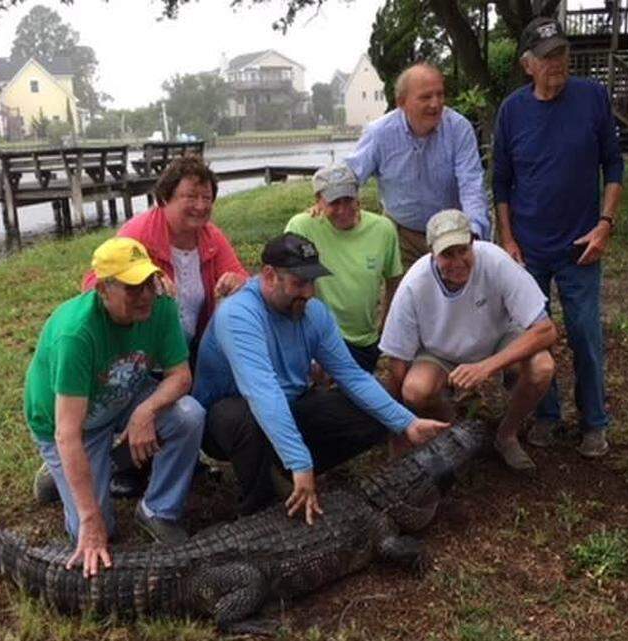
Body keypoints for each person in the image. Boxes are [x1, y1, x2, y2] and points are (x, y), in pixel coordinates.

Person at [192, 233, 450, 522]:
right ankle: (260, 507)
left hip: (289, 403)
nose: (309, 292)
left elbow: (352, 376)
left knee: (370, 410)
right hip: (227, 418)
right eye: (299, 283)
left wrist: (406, 422)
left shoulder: (313, 313)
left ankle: (284, 469)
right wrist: (300, 462)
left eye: (312, 281)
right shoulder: (238, 314)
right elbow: (262, 392)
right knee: (243, 417)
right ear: (269, 276)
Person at [25, 237, 206, 577]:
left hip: (124, 395)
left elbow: (181, 377)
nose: (146, 295)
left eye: (148, 282)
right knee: (97, 532)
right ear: (104, 289)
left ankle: (158, 509)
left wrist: (146, 411)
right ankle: (58, 472)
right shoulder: (76, 334)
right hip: (70, 425)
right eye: (132, 287)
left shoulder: (162, 307)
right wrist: (89, 519)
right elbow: (67, 433)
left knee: (188, 415)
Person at [492, 17, 625, 458]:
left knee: (586, 334)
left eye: (562, 54)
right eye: (547, 57)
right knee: (534, 338)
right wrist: (508, 240)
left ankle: (594, 422)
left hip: (580, 248)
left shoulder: (592, 98)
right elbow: (502, 184)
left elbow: (615, 166)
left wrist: (604, 225)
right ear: (528, 64)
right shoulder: (512, 111)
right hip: (529, 249)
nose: (558, 64)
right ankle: (547, 415)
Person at [379, 210, 557, 472]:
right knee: (415, 390)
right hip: (439, 352)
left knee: (542, 367)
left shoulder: (496, 261)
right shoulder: (413, 285)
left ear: (473, 242)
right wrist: (398, 431)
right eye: (447, 254)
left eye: (463, 250)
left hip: (497, 339)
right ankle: (455, 432)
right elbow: (397, 365)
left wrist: (487, 367)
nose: (457, 261)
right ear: (432, 253)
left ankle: (506, 434)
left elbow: (546, 330)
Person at [82, 156, 248, 350]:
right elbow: (94, 282)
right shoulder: (139, 233)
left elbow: (241, 277)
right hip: (144, 351)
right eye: (191, 197)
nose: (201, 206)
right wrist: (145, 282)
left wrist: (237, 281)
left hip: (194, 348)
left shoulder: (211, 237)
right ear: (164, 199)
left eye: (207, 198)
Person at [345, 62, 491, 269]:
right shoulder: (379, 133)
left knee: (456, 297)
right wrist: (327, 199)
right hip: (402, 234)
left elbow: (471, 184)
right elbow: (351, 175)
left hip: (452, 233)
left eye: (440, 94)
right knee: (402, 298)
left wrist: (474, 232)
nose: (435, 104)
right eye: (426, 97)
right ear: (401, 102)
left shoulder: (459, 128)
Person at [284, 163, 402, 372]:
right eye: (334, 202)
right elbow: (287, 282)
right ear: (318, 201)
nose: (342, 209)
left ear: (358, 197)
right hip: (316, 337)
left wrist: (386, 327)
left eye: (348, 200)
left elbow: (393, 281)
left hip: (364, 341)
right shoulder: (301, 227)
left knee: (352, 399)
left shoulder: (383, 229)